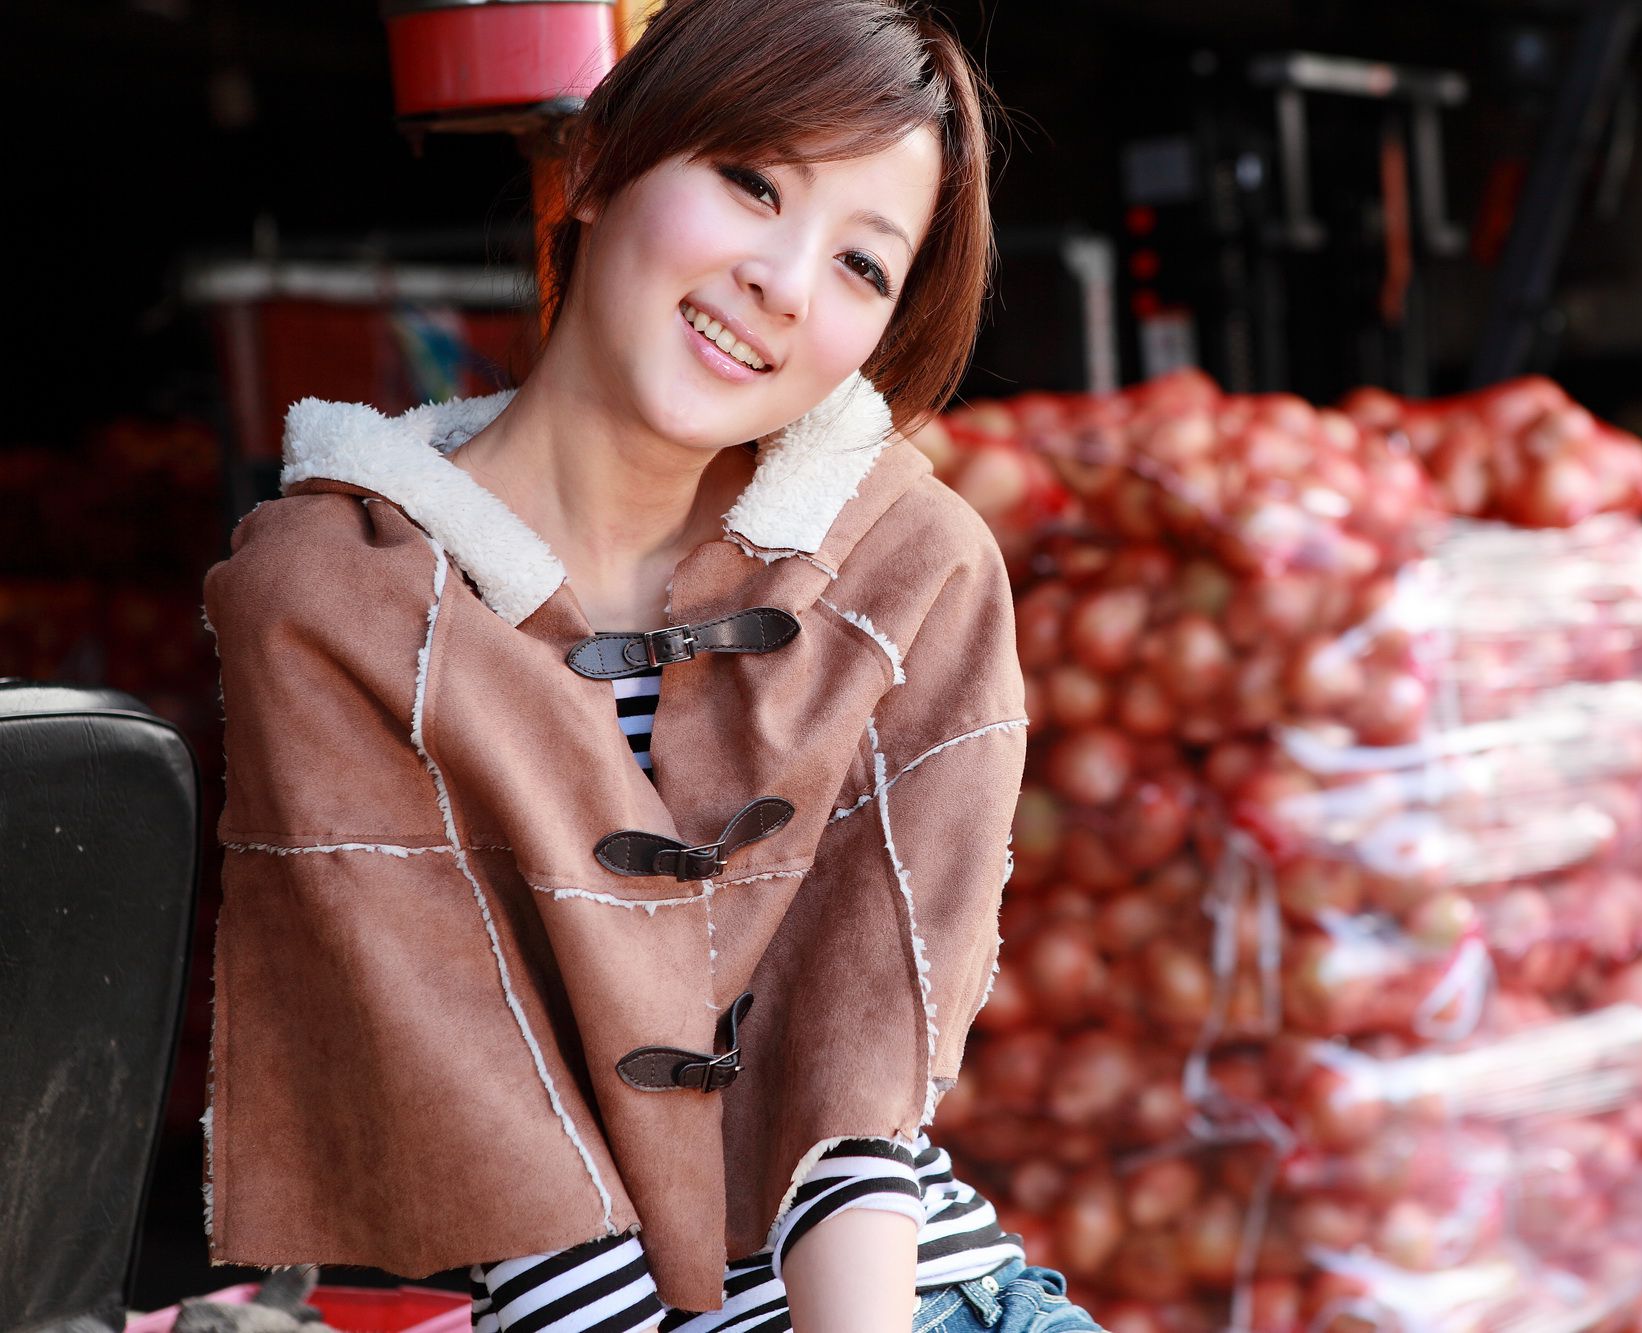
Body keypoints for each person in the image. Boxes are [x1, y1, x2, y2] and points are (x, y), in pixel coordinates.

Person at [197, 3, 1102, 1332]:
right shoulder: (334, 594)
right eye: (752, 182)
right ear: (605, 163)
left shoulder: (908, 563)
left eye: (862, 266)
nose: (786, 284)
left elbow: (856, 1101)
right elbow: (493, 1138)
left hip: (927, 1301)